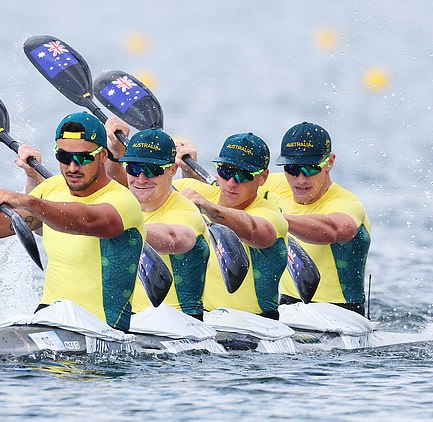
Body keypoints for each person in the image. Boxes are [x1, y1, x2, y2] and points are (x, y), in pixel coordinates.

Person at [0, 111, 146, 332]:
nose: (73, 167)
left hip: (103, 330)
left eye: (83, 158)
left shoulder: (123, 200)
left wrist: (29, 201)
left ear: (103, 156)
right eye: (64, 157)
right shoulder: (52, 188)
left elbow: (87, 220)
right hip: (50, 318)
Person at [104, 117, 210, 320]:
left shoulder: (185, 211)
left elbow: (174, 239)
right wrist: (115, 151)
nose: (141, 179)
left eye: (152, 171)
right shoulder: (124, 202)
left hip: (179, 328)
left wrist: (118, 227)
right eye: (134, 169)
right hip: (127, 322)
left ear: (172, 170)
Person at [260, 122, 371, 316]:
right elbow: (222, 191)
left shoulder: (346, 203)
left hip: (343, 314)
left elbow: (335, 230)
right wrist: (189, 169)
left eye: (311, 168)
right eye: (292, 169)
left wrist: (277, 220)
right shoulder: (274, 185)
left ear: (329, 162)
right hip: (287, 307)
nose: (301, 179)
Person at [175, 133, 288, 320]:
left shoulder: (271, 216)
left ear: (263, 177)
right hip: (202, 320)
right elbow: (137, 190)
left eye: (242, 175)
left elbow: (251, 228)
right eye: (225, 171)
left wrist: (209, 208)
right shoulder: (194, 188)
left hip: (253, 327)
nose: (231, 183)